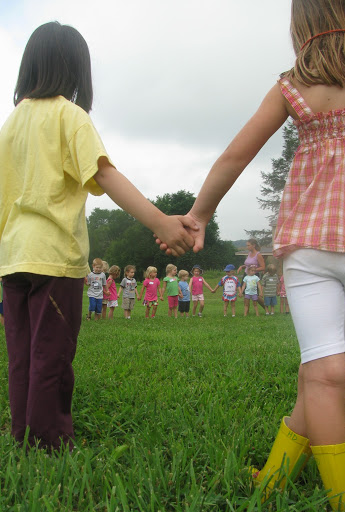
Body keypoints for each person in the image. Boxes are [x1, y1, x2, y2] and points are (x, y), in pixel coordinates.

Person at [158, 1, 345, 508]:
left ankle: (274, 480)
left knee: (321, 375)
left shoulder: (291, 84)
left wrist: (200, 215)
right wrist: (200, 215)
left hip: (312, 254)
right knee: (325, 373)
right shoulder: (294, 83)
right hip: (327, 257)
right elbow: (238, 155)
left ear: (301, 23)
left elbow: (235, 155)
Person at [0, 22, 197, 451]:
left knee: (21, 354)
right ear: (76, 70)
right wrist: (161, 221)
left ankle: (23, 433)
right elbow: (104, 174)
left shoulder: (11, 123)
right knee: (50, 354)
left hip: (12, 259)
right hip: (55, 259)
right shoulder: (70, 116)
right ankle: (48, 441)